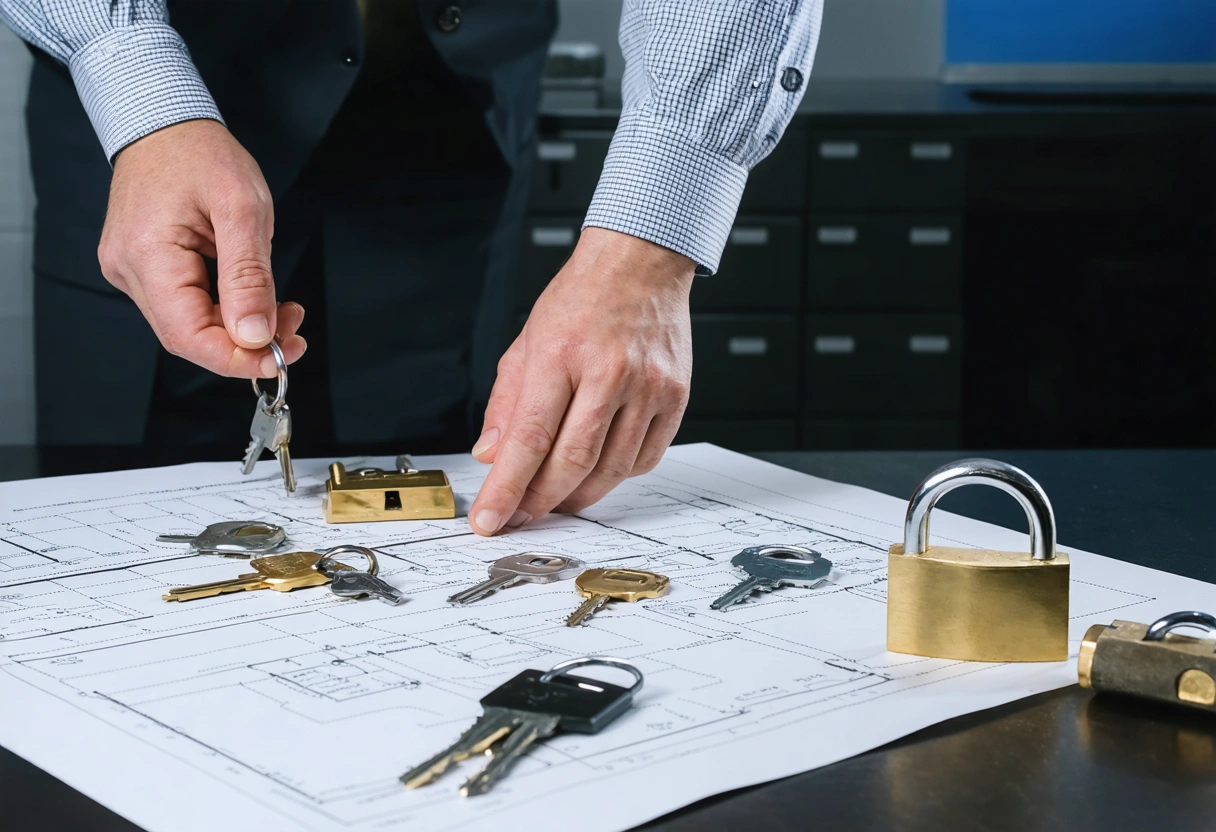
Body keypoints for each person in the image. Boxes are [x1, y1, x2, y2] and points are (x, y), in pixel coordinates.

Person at [2, 0, 823, 535]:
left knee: (438, 509)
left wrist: (648, 249)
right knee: (115, 518)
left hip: (449, 108)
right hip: (146, 99)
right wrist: (142, 97)